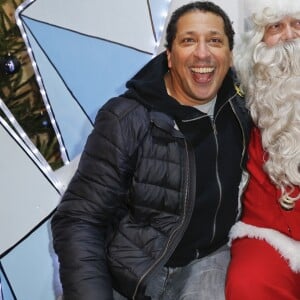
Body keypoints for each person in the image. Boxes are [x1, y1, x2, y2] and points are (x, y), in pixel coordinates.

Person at [51, 2, 251, 299]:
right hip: (131, 270)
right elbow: (80, 219)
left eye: (214, 40)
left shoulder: (241, 107)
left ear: (229, 55)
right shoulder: (127, 118)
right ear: (169, 56)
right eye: (188, 40)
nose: (203, 53)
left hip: (207, 260)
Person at [225, 0, 300, 299]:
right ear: (258, 40)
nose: (289, 36)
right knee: (248, 284)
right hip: (267, 231)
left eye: (297, 25)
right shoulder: (239, 92)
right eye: (276, 27)